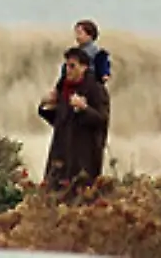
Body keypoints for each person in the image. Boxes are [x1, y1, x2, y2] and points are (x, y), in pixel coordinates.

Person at [38, 46, 110, 191]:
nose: (68, 70)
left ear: (84, 67)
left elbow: (102, 119)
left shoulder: (96, 89)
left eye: (73, 66)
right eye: (66, 66)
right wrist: (45, 107)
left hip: (84, 156)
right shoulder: (63, 88)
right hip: (60, 153)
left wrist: (84, 108)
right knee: (52, 196)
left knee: (79, 198)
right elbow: (60, 121)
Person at [52, 20, 111, 103]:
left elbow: (102, 65)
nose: (77, 36)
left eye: (80, 33)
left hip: (88, 84)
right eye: (76, 33)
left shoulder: (96, 52)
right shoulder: (74, 52)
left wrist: (104, 74)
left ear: (90, 35)